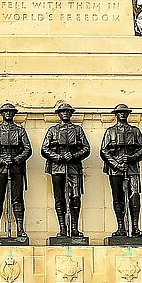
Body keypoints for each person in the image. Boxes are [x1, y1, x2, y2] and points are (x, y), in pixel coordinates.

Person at [41, 102, 91, 239]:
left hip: (73, 166)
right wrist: (57, 156)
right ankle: (63, 228)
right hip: (57, 167)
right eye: (63, 111)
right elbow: (45, 148)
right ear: (59, 114)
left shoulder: (77, 130)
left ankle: (74, 228)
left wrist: (74, 155)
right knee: (59, 198)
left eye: (68, 112)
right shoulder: (52, 130)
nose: (65, 114)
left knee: (75, 197)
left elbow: (86, 148)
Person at [100, 103, 142, 239]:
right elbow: (104, 150)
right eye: (120, 112)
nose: (122, 114)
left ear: (128, 114)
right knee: (118, 198)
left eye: (124, 112)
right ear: (116, 115)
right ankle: (121, 227)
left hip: (131, 169)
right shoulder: (110, 131)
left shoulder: (135, 131)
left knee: (134, 196)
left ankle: (135, 227)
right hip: (115, 170)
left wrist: (131, 158)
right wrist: (116, 164)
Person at [0, 102, 32, 241]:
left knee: (17, 199)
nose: (8, 114)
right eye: (6, 111)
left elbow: (27, 149)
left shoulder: (20, 130)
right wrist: (0, 159)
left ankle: (20, 229)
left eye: (11, 112)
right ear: (2, 114)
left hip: (16, 167)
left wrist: (16, 159)